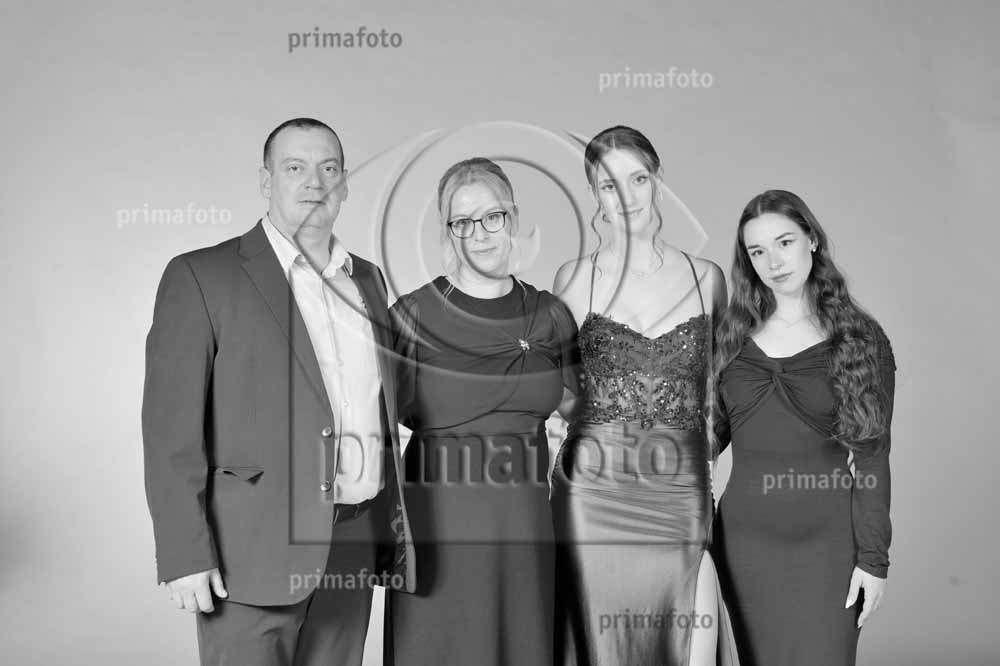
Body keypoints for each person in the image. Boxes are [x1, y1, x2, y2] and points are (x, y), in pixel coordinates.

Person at [141, 117, 415, 666]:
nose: (315, 182)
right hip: (250, 550)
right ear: (266, 180)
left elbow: (379, 402)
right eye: (295, 167)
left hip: (352, 542)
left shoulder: (367, 279)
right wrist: (184, 553)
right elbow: (170, 430)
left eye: (329, 168)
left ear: (344, 184)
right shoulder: (202, 276)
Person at [550, 125, 739, 665]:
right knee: (602, 643)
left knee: (689, 636)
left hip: (679, 490)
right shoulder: (574, 279)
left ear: (657, 180)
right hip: (595, 492)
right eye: (609, 185)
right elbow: (559, 392)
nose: (626, 197)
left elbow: (726, 392)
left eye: (637, 179)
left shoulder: (706, 278)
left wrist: (702, 454)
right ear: (593, 193)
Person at [385, 158, 579, 666]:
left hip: (525, 527)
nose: (480, 234)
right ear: (447, 230)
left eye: (492, 216)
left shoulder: (551, 315)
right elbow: (366, 420)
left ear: (512, 218)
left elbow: (585, 414)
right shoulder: (411, 315)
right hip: (437, 529)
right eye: (463, 222)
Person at [710, 189, 895, 666]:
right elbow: (708, 438)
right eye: (757, 251)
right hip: (745, 545)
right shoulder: (731, 336)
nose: (773, 262)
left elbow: (872, 458)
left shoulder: (860, 339)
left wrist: (873, 560)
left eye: (785, 242)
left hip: (829, 546)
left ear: (811, 239)